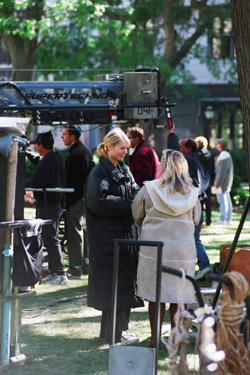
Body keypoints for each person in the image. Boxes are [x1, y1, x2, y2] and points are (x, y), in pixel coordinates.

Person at [132, 149, 201, 346]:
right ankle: (176, 337)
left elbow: (137, 214)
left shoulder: (150, 189)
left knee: (156, 295)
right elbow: (196, 219)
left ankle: (154, 338)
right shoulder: (192, 193)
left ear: (163, 165)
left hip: (155, 249)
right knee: (179, 296)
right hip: (182, 252)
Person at [85, 127, 144, 345]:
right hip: (107, 241)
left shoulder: (124, 169)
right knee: (113, 288)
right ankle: (112, 332)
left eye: (126, 149)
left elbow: (135, 190)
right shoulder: (98, 173)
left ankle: (121, 329)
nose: (125, 153)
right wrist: (131, 205)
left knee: (126, 286)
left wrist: (140, 198)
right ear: (108, 147)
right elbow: (98, 202)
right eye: (121, 148)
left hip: (125, 237)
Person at [165, 126, 211, 281]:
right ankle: (200, 266)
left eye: (182, 146)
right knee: (193, 237)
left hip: (192, 207)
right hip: (197, 206)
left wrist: (172, 134)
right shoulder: (197, 163)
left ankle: (204, 266)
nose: (179, 149)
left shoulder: (188, 160)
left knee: (192, 238)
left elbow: (173, 152)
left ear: (188, 150)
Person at [26, 131, 67, 285]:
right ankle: (55, 271)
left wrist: (21, 185)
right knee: (49, 237)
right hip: (52, 203)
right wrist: (27, 153)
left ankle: (60, 273)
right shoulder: (53, 158)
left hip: (49, 204)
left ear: (40, 145)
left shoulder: (49, 160)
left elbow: (38, 180)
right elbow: (39, 162)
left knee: (50, 237)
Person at [61, 125, 94, 277]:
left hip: (75, 199)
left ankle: (75, 268)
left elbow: (70, 182)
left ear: (73, 137)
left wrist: (66, 200)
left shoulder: (76, 154)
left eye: (64, 134)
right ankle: (85, 266)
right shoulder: (85, 151)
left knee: (75, 234)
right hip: (83, 197)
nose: (62, 137)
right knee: (83, 232)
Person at [195, 136, 215, 226]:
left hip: (198, 180)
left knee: (199, 201)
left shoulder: (195, 155)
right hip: (208, 181)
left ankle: (200, 219)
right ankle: (209, 220)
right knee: (208, 201)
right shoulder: (210, 154)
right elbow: (212, 169)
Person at [213, 138, 233, 225]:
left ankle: (222, 219)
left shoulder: (223, 155)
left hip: (221, 183)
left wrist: (217, 184)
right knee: (227, 199)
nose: (216, 145)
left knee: (222, 200)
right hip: (226, 182)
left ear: (220, 145)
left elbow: (221, 172)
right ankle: (227, 219)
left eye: (217, 144)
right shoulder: (225, 154)